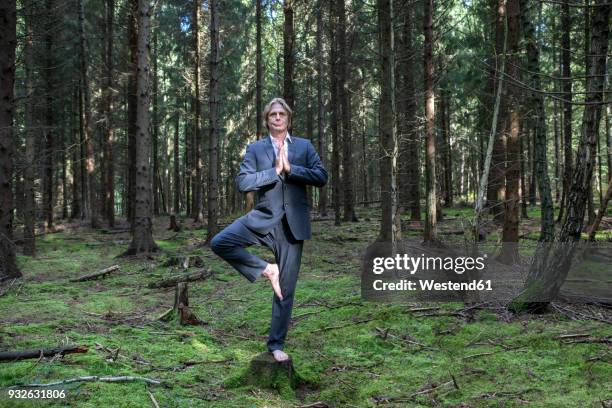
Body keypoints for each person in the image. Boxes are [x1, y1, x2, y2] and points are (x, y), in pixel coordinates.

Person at [210, 97, 328, 362]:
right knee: (220, 242)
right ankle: (266, 269)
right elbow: (242, 182)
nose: (277, 117)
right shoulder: (256, 149)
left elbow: (321, 176)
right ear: (267, 120)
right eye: (272, 114)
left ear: (288, 118)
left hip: (292, 228)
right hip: (263, 219)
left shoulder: (304, 147)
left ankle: (275, 345)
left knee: (285, 290)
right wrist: (274, 171)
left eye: (281, 114)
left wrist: (291, 169)